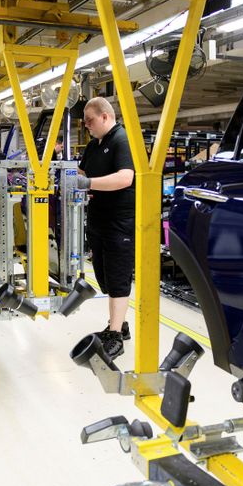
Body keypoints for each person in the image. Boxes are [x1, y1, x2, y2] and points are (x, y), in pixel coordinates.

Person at [77, 97, 135, 358]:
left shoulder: (122, 140)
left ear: (104, 116)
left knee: (118, 278)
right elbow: (81, 172)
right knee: (104, 278)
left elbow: (125, 177)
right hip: (98, 221)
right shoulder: (93, 146)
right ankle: (119, 324)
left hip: (119, 222)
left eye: (89, 121)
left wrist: (88, 184)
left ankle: (116, 337)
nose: (86, 126)